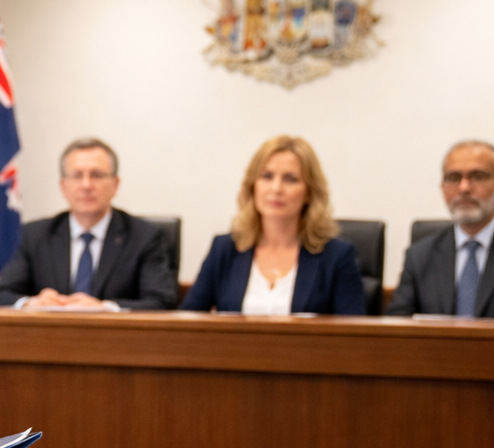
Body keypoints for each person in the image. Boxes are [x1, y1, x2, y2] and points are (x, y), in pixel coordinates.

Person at [0, 138, 177, 311]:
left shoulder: (144, 237)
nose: (86, 185)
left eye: (97, 175)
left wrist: (105, 308)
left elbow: (161, 301)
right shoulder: (36, 235)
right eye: (77, 176)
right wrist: (30, 303)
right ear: (63, 186)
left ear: (115, 184)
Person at [181, 136, 365, 315]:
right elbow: (185, 324)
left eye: (290, 179)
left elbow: (354, 338)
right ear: (253, 186)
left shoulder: (337, 256)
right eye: (267, 176)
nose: (276, 189)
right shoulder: (225, 249)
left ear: (309, 192)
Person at [386, 140, 494, 318]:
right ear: (442, 188)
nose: (464, 187)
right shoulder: (420, 256)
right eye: (453, 177)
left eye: (478, 176)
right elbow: (397, 325)